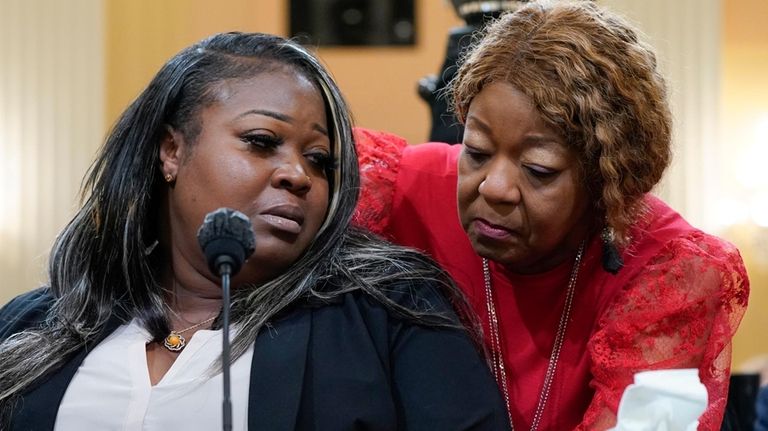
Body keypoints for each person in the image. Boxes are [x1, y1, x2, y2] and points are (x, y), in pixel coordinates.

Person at [0, 32, 510, 430]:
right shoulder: (32, 326)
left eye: (319, 161)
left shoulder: (391, 313)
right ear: (171, 152)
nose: (299, 176)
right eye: (262, 142)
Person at [353, 1, 750, 429]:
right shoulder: (399, 191)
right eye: (477, 152)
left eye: (538, 170)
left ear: (607, 181)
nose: (494, 187)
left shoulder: (666, 270)